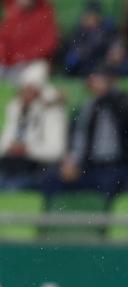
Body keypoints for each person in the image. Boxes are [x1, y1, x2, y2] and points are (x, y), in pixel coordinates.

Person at [41, 66, 128, 200]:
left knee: (109, 184)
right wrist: (72, 161)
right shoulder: (86, 107)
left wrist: (108, 94)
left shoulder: (126, 100)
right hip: (87, 165)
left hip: (116, 165)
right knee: (51, 179)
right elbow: (77, 137)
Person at [0, 60, 67, 190]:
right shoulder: (16, 108)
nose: (26, 94)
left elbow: (56, 150)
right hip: (11, 164)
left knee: (14, 186)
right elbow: (5, 141)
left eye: (30, 89)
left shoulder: (53, 111)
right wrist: (10, 147)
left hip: (37, 167)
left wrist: (27, 149)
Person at [0, 0, 59, 81]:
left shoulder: (44, 13)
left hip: (30, 63)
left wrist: (24, 56)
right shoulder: (13, 11)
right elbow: (3, 38)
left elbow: (49, 44)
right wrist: (4, 55)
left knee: (37, 70)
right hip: (9, 63)